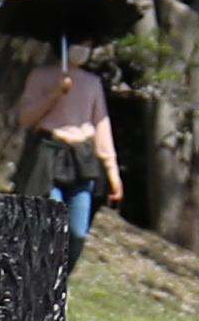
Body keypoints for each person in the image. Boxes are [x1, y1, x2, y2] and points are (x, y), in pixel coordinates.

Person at [8, 48, 124, 242]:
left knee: (77, 232)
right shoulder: (41, 76)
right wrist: (53, 95)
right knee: (53, 220)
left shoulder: (92, 82)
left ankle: (60, 271)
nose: (83, 50)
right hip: (49, 152)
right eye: (79, 44)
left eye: (87, 45)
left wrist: (112, 170)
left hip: (82, 158)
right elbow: (25, 119)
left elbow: (101, 125)